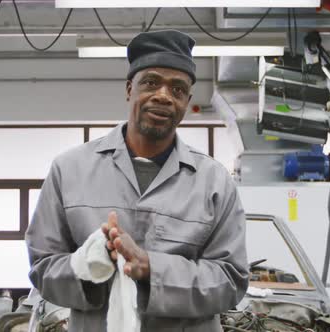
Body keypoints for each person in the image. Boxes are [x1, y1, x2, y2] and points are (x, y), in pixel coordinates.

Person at [25, 29, 248, 332]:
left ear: (187, 101)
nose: (163, 96)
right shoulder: (69, 170)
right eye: (151, 82)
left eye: (178, 89)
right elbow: (42, 268)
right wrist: (90, 266)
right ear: (130, 88)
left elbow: (231, 281)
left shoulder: (215, 182)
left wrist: (151, 268)